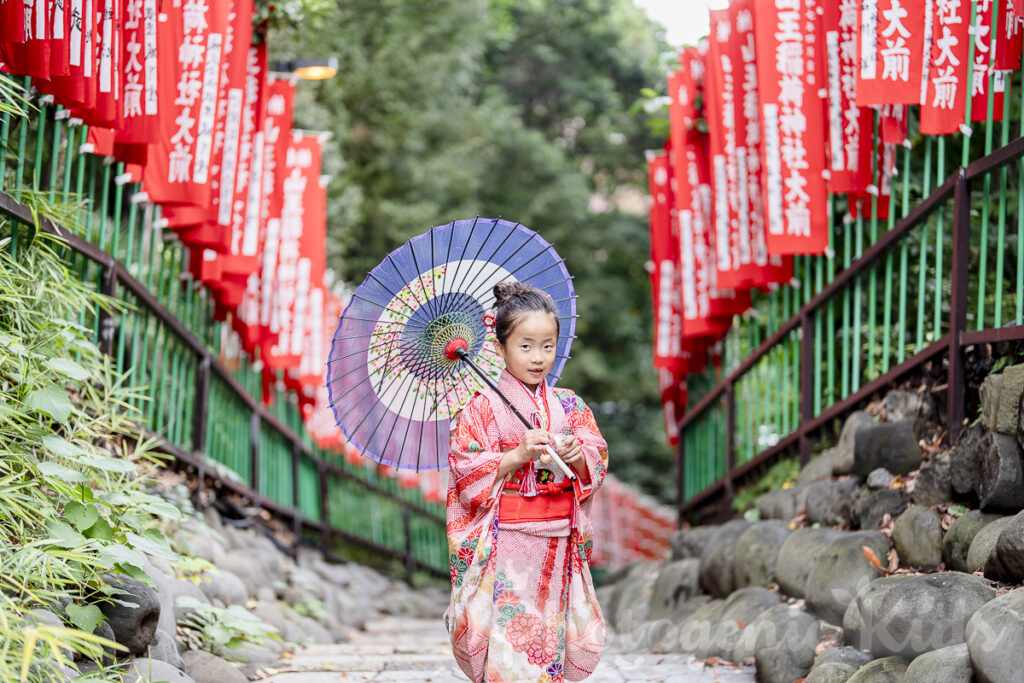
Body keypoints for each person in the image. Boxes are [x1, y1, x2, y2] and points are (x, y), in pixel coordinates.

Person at [444, 281, 609, 683]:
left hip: (559, 537)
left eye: (548, 345)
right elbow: (464, 467)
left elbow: (597, 451)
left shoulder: (569, 404)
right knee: (512, 638)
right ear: (500, 349)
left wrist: (577, 454)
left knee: (550, 636)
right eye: (526, 345)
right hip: (507, 541)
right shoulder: (481, 409)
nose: (539, 357)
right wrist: (514, 456)